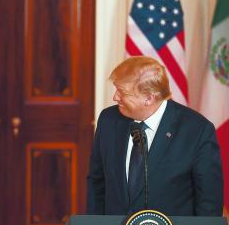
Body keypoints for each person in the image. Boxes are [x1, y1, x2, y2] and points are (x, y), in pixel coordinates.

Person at [86, 56, 223, 216]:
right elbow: (97, 181)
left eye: (122, 92)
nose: (115, 97)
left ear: (149, 98)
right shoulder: (108, 120)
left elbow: (209, 201)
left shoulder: (197, 130)